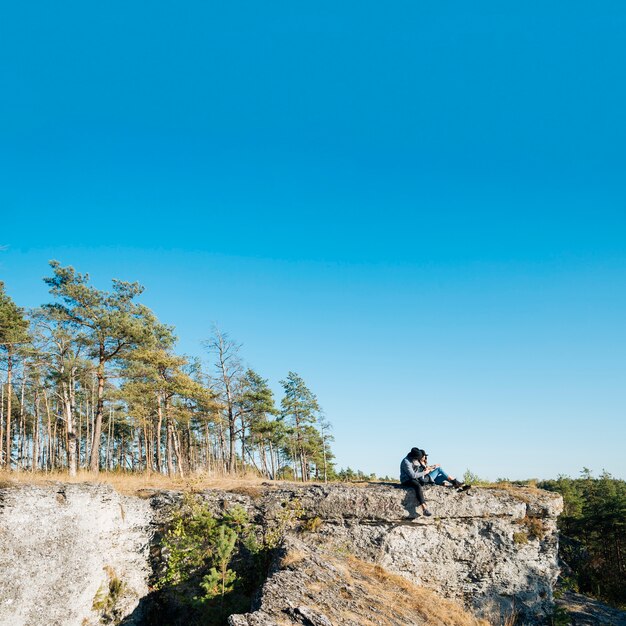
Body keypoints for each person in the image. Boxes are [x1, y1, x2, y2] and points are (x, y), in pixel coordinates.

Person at [400, 447, 469, 517]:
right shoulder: (406, 462)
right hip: (407, 480)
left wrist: (427, 469)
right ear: (414, 456)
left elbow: (419, 470)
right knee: (418, 486)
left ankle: (457, 485)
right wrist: (425, 472)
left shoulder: (414, 460)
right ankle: (424, 508)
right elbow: (413, 475)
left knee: (441, 477)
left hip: (418, 478)